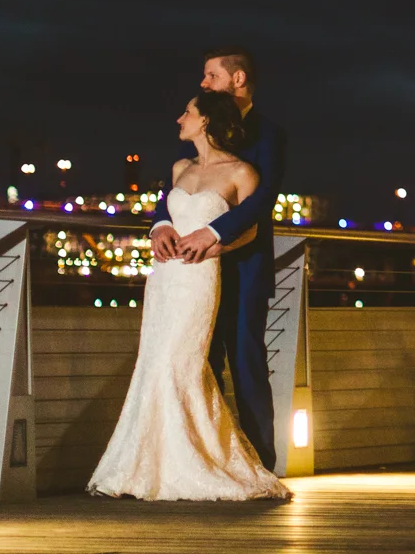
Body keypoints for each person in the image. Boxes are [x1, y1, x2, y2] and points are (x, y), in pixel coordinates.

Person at [89, 91, 290, 500]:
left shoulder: (242, 173)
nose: (179, 119)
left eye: (187, 112)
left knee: (178, 362)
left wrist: (215, 247)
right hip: (165, 278)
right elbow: (165, 209)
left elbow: (251, 229)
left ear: (206, 121)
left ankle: (194, 461)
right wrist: (160, 227)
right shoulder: (180, 167)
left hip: (198, 278)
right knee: (153, 361)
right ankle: (148, 464)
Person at [148, 47, 288, 472]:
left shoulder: (268, 134)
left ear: (237, 78)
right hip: (188, 275)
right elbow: (173, 191)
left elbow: (262, 199)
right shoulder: (195, 140)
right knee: (196, 362)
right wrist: (161, 225)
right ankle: (202, 461)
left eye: (211, 76)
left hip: (243, 267)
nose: (204, 83)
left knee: (245, 362)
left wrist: (213, 234)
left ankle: (259, 465)